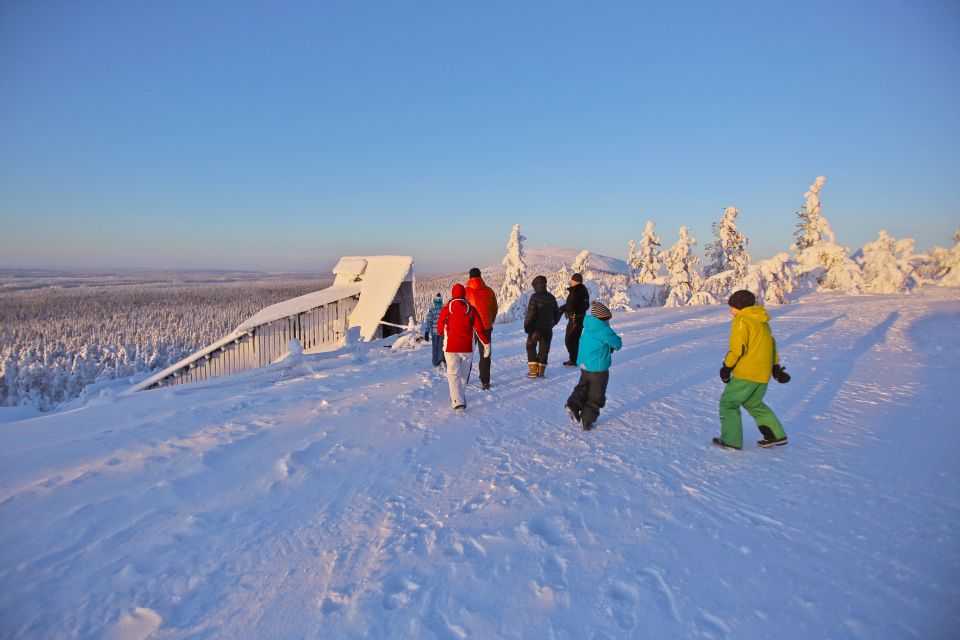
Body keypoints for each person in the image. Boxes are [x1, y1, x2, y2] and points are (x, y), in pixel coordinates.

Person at [714, 289, 791, 450]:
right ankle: (776, 435)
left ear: (738, 306)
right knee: (754, 403)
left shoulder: (742, 321)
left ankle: (731, 441)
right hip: (762, 375)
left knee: (729, 403)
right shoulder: (762, 321)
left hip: (746, 373)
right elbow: (771, 346)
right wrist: (775, 368)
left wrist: (727, 367)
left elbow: (738, 349)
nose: (730, 310)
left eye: (731, 306)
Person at [565, 301, 622, 431]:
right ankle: (587, 419)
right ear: (603, 319)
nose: (608, 323)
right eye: (608, 320)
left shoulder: (589, 326)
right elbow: (617, 344)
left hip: (585, 366)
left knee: (583, 387)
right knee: (597, 395)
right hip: (598, 369)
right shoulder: (603, 329)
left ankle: (573, 404)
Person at [437, 283, 490, 414]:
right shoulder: (471, 310)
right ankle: (457, 397)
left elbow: (439, 328)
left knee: (453, 373)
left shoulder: (446, 309)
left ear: (453, 294)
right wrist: (486, 343)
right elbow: (479, 329)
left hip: (451, 347)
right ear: (464, 295)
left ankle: (457, 402)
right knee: (464, 373)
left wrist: (444, 334)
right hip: (467, 347)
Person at [465, 267, 499, 390]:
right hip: (486, 327)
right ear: (480, 276)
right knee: (485, 354)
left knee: (467, 353)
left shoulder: (466, 292)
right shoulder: (489, 291)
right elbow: (495, 309)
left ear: (469, 277)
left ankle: (465, 378)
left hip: (469, 328)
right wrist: (490, 322)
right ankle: (485, 381)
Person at [523, 275, 562, 378]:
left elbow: (530, 315)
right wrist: (551, 324)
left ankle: (532, 371)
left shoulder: (534, 297)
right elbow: (557, 315)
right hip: (548, 330)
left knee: (530, 346)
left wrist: (527, 328)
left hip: (536, 330)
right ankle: (541, 372)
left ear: (536, 286)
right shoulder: (552, 297)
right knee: (544, 350)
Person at [559, 273, 590, 366]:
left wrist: (562, 309)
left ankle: (574, 359)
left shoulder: (576, 291)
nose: (571, 281)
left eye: (572, 280)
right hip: (580, 318)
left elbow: (571, 305)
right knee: (575, 339)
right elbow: (585, 305)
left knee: (569, 340)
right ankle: (576, 358)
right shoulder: (584, 290)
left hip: (575, 319)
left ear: (575, 281)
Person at [422, 293, 445, 367]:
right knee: (442, 346)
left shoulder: (432, 310)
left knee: (435, 347)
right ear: (441, 301)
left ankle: (435, 362)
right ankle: (441, 360)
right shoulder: (444, 309)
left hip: (434, 333)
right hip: (442, 332)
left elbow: (429, 321)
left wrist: (426, 332)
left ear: (434, 301)